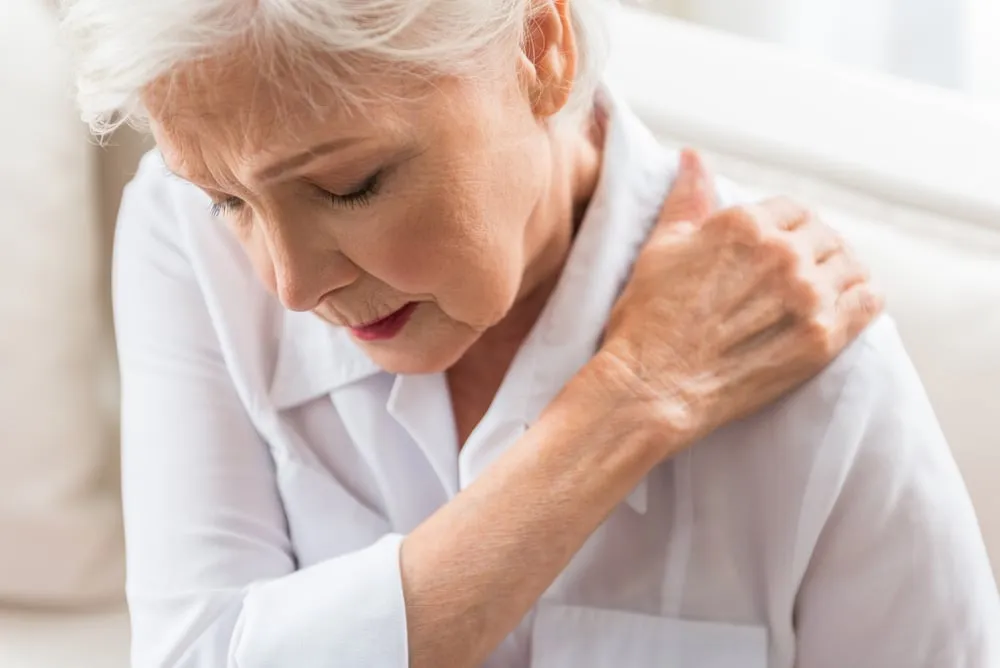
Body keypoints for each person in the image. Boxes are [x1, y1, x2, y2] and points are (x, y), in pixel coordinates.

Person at [60, 0, 998, 666]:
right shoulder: (182, 238)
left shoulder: (812, 365)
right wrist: (627, 402)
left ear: (538, 49)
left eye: (349, 186)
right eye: (229, 199)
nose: (291, 284)